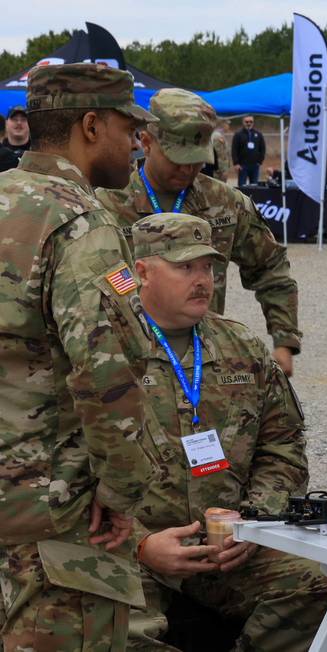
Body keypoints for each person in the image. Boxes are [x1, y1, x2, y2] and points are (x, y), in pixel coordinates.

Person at [0, 62, 158, 652]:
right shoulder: (82, 222)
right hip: (55, 512)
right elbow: (106, 368)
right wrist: (121, 493)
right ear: (91, 126)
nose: (138, 142)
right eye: (127, 127)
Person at [125, 212, 327, 652]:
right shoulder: (103, 349)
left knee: (320, 582)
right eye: (186, 267)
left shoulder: (242, 348)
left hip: (228, 548)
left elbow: (283, 445)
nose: (203, 280)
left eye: (208, 267)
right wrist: (140, 544)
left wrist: (254, 520)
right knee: (117, 634)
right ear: (141, 271)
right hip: (132, 554)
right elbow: (61, 468)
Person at [96, 88, 301, 377]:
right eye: (177, 158)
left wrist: (284, 340)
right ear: (146, 143)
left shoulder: (225, 204)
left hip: (203, 365)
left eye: (197, 159)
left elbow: (270, 268)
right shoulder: (105, 205)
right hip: (128, 364)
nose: (188, 169)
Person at [231, 114, 266, 186]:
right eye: (247, 122)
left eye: (251, 122)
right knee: (242, 186)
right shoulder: (238, 134)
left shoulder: (258, 134)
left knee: (254, 186)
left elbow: (262, 148)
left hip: (254, 165)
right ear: (243, 122)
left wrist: (260, 160)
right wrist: (236, 163)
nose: (249, 123)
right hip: (242, 166)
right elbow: (234, 149)